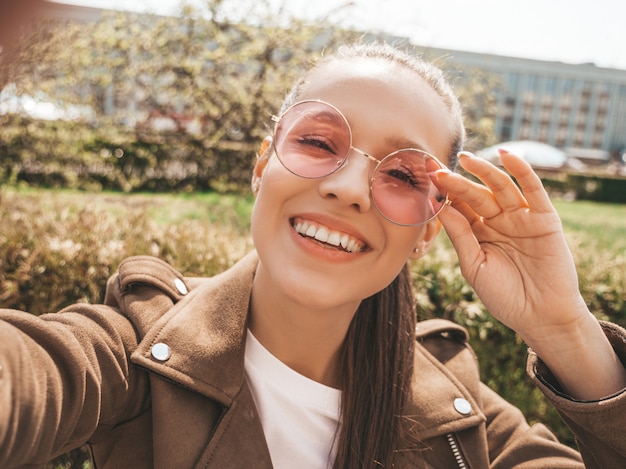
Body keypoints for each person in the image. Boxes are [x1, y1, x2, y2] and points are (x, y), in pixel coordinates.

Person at [1, 42, 625, 469]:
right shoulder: (134, 348)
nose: (348, 188)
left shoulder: (456, 408)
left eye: (404, 177)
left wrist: (564, 328)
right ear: (261, 166)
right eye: (318, 142)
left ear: (429, 230)